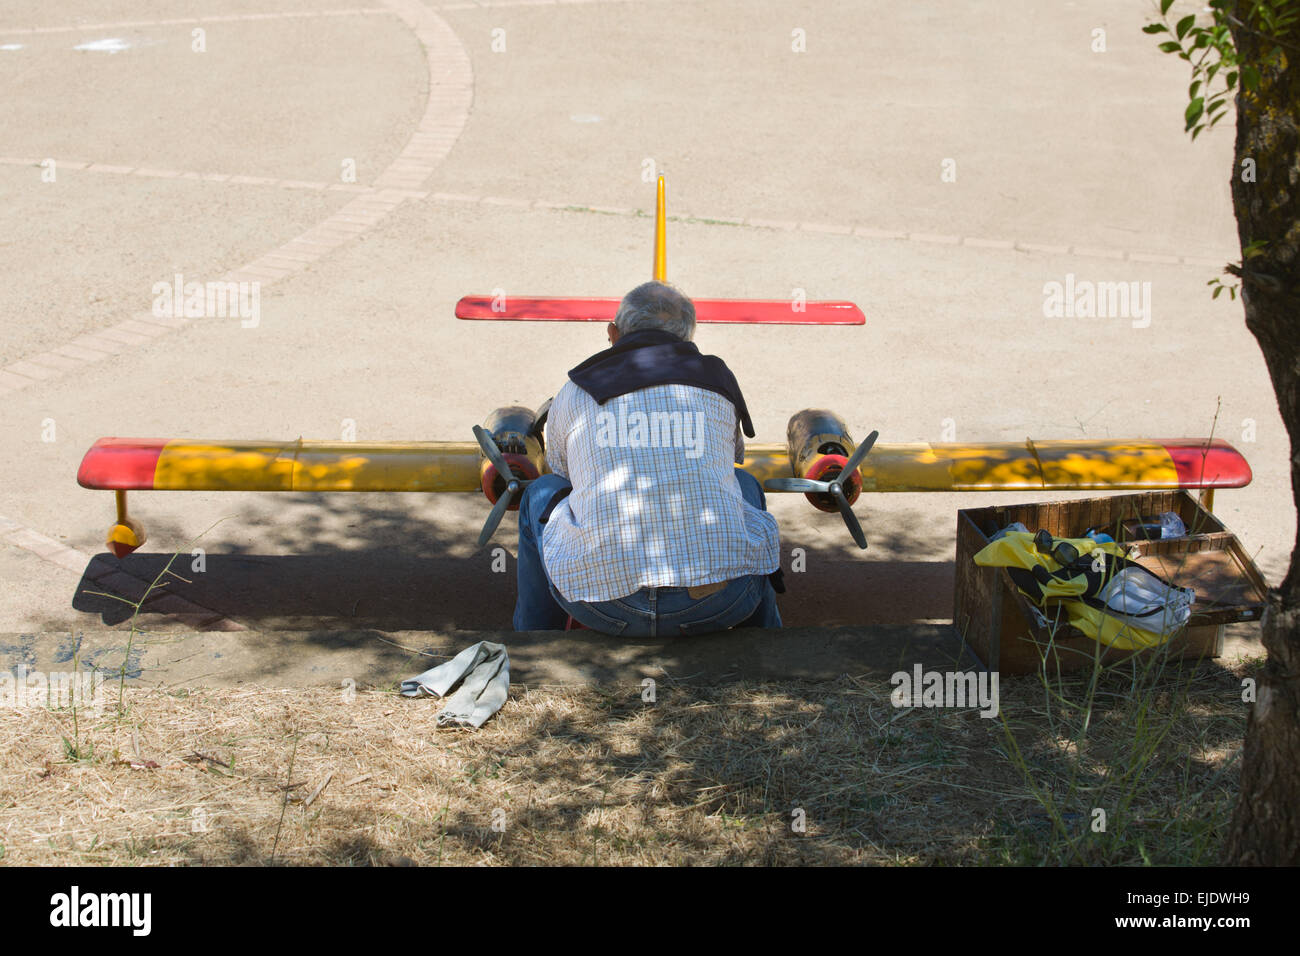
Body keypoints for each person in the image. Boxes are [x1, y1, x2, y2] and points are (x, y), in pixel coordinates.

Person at [513, 281, 783, 637]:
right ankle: (769, 639)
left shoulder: (574, 391)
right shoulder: (718, 383)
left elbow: (564, 475)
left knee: (543, 491)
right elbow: (733, 458)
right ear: (689, 337)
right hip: (717, 603)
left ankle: (534, 641)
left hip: (600, 605)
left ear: (613, 333)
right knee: (744, 483)